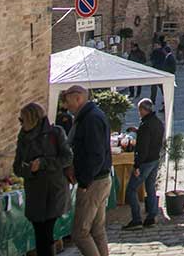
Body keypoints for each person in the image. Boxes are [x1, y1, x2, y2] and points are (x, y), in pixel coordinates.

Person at [12, 102, 72, 256]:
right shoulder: (23, 138)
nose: (21, 122)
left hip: (53, 191)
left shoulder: (55, 133)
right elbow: (17, 167)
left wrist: (44, 163)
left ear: (33, 118)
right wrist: (29, 169)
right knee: (40, 233)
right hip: (35, 193)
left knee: (45, 233)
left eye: (22, 119)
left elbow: (67, 158)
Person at [63, 85, 111, 256]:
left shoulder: (91, 119)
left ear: (78, 98)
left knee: (80, 233)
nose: (67, 107)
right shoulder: (89, 116)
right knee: (97, 230)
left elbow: (95, 155)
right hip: (99, 179)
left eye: (69, 102)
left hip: (94, 181)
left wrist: (84, 181)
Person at [123, 99, 163, 230]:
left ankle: (136, 219)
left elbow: (143, 147)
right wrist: (138, 130)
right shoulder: (157, 122)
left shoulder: (146, 125)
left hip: (145, 162)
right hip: (155, 159)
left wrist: (137, 165)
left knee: (131, 189)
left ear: (142, 110)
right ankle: (152, 216)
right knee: (150, 187)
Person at [148, 39, 166, 103]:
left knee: (158, 86)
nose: (154, 46)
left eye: (156, 45)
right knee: (156, 86)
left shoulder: (158, 52)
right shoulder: (162, 51)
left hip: (158, 70)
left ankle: (153, 100)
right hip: (159, 70)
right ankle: (154, 99)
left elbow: (153, 60)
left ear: (159, 45)